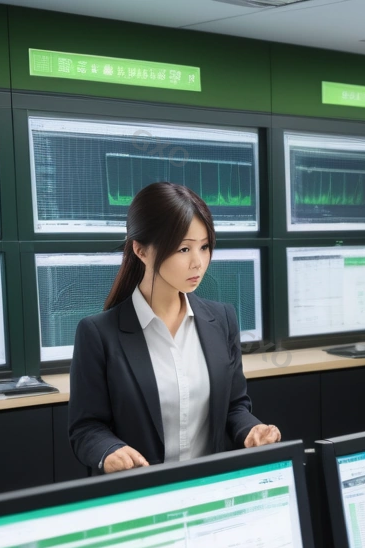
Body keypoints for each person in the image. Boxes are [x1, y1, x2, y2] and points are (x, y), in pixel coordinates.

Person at [68, 182, 280, 474]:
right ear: (141, 250)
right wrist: (110, 451)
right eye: (183, 248)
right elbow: (86, 428)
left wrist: (251, 431)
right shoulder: (98, 334)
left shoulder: (223, 319)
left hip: (211, 489)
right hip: (141, 498)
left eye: (204, 247)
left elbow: (234, 407)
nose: (198, 262)